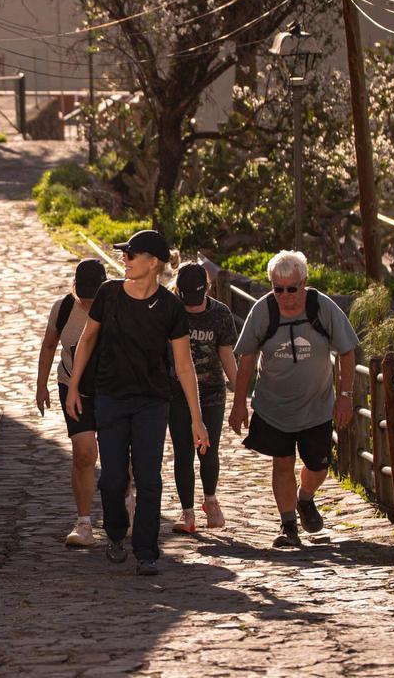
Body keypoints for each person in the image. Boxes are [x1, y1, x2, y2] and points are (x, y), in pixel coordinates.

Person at [66, 230, 210, 576]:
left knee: (149, 478)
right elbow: (86, 341)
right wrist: (73, 388)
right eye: (125, 256)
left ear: (153, 262)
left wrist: (196, 418)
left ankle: (146, 551)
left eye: (131, 255)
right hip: (110, 398)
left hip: (151, 402)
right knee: (113, 478)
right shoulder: (109, 293)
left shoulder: (171, 307)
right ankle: (116, 532)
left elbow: (183, 364)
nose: (125, 261)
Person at [229, 250, 359, 548]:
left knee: (319, 465)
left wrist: (345, 396)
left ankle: (305, 498)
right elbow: (247, 357)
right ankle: (288, 525)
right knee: (282, 462)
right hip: (274, 406)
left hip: (317, 406)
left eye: (292, 288)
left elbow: (347, 352)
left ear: (304, 282)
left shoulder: (321, 307)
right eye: (278, 289)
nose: (285, 295)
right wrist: (238, 403)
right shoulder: (263, 311)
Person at [36, 258, 108, 546]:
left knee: (119, 455)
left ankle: (126, 501)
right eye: (84, 297)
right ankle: (84, 523)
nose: (89, 304)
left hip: (111, 388)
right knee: (83, 452)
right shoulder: (63, 308)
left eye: (95, 298)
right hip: (72, 387)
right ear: (75, 287)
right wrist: (41, 386)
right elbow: (50, 345)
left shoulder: (117, 305)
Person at [168, 263, 238, 533]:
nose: (193, 307)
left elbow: (226, 355)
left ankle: (210, 500)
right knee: (183, 452)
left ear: (206, 291)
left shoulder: (220, 313)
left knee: (208, 449)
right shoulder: (170, 310)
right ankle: (187, 513)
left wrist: (242, 395)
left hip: (211, 392)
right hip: (177, 394)